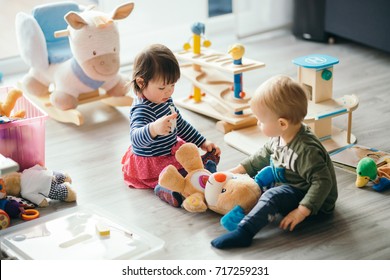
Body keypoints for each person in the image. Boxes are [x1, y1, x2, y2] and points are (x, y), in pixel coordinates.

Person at [211, 75, 338, 249]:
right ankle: (239, 210)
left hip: (315, 200)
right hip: (290, 182)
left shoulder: (306, 151)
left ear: (282, 123)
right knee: (256, 185)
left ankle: (245, 232)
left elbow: (323, 182)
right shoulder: (280, 136)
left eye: (261, 121)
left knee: (272, 196)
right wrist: (237, 170)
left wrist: (302, 210)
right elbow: (263, 154)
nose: (257, 123)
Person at [121, 44, 221, 207]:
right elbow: (135, 139)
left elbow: (180, 125)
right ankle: (167, 190)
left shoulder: (165, 99)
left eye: (172, 85)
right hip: (153, 161)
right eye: (162, 87)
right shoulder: (142, 109)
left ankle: (202, 169)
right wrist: (154, 129)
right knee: (171, 176)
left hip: (170, 150)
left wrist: (202, 142)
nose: (169, 92)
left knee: (187, 160)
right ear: (141, 83)